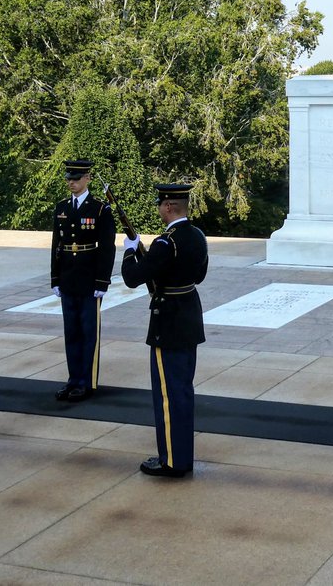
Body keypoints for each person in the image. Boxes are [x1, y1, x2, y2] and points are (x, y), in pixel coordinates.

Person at [121, 183, 208, 478]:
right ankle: (182, 456)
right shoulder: (197, 236)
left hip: (168, 322)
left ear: (169, 206)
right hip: (189, 316)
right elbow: (198, 275)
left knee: (168, 395)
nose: (159, 209)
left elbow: (132, 278)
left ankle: (171, 460)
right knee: (183, 390)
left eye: (160, 205)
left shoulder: (165, 242)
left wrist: (130, 252)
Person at [50, 159, 116, 402]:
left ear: (87, 179)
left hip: (89, 279)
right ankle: (73, 379)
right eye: (69, 178)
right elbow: (57, 245)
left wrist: (102, 281)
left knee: (88, 332)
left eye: (76, 179)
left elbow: (107, 248)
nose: (71, 182)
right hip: (68, 278)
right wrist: (55, 277)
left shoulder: (100, 209)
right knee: (72, 333)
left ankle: (86, 382)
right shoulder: (61, 207)